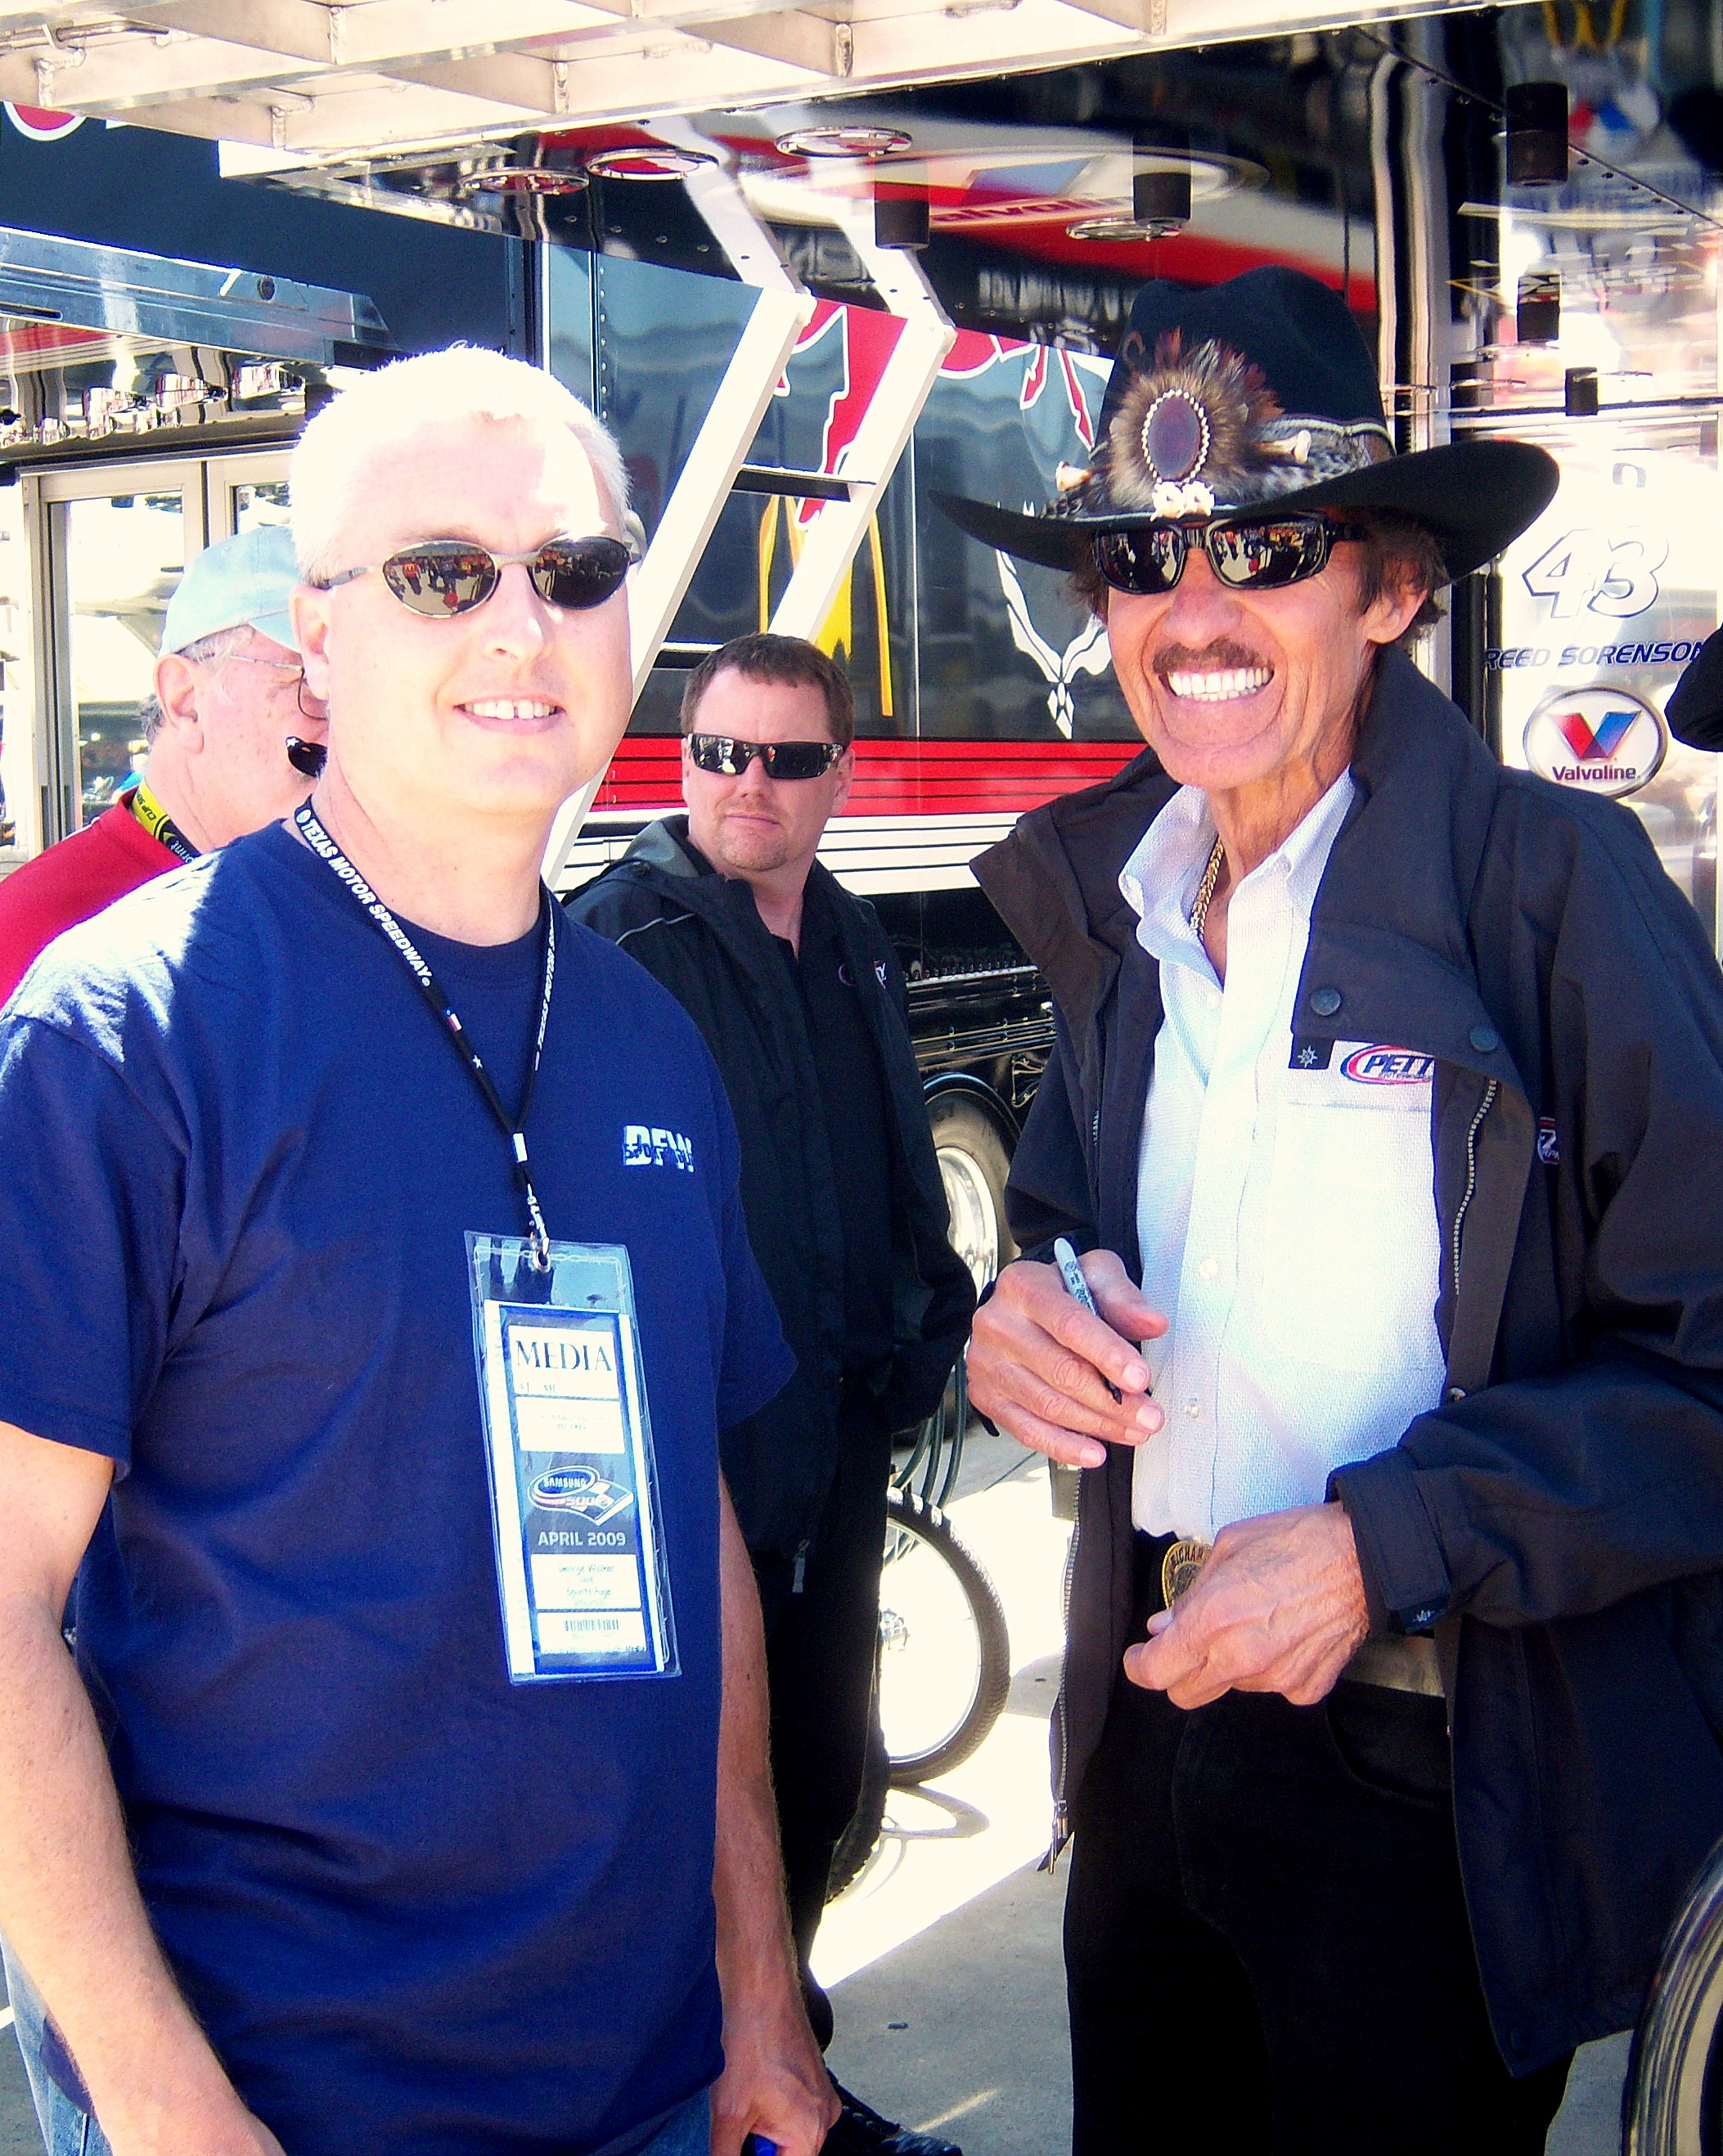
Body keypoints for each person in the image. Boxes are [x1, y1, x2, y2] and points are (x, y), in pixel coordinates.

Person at [0, 348, 835, 2156]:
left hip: (646, 2091)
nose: (519, 629)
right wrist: (171, 2117)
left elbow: (686, 1521)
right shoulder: (127, 1034)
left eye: (576, 573)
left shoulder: (649, 1037)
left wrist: (760, 1991)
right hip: (280, 2101)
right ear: (318, 638)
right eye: (442, 573)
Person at [942, 264, 1723, 2152]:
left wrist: (1384, 1538)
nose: (1189, 615)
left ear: (1387, 590)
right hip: (1144, 1734)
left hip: (1422, 1771)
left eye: (1264, 549)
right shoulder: (1118, 910)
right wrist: (1022, 1319)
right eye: (1141, 560)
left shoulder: (1551, 891)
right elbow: (1063, 1221)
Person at [569, 634, 975, 2156]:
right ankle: (715, 2091)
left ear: (838, 777)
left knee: (818, 1782)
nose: (751, 782)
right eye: (723, 750)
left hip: (839, 1456)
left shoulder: (859, 939)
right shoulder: (621, 948)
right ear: (684, 761)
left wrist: (922, 1340)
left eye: (787, 757)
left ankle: (785, 2065)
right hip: (705, 1483)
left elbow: (889, 1177)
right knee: (703, 1823)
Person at [0, 523, 326, 1003]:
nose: (355, 728)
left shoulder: (355, 897)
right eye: (309, 682)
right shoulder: (41, 928)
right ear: (186, 700)